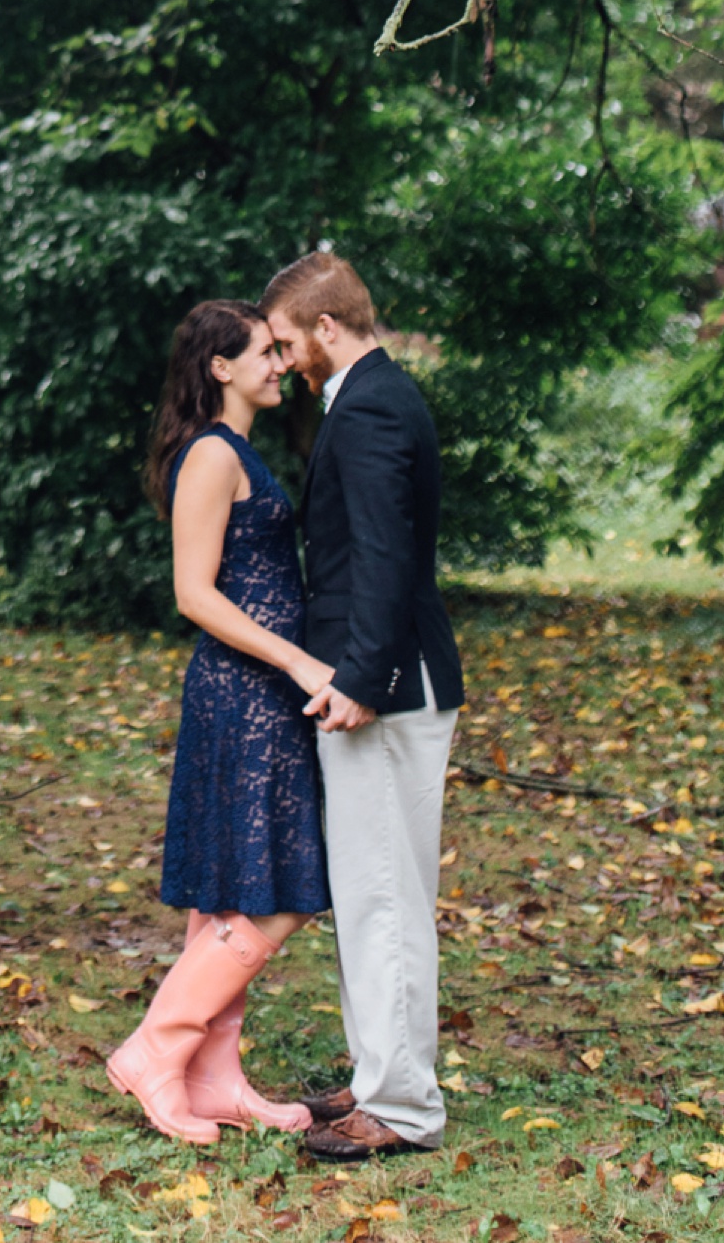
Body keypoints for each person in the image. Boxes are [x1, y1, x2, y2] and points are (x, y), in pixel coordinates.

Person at [106, 300, 331, 1147]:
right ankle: (154, 1053)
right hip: (243, 695)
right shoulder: (209, 453)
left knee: (235, 886)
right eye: (266, 352)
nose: (282, 364)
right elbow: (193, 594)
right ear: (220, 368)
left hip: (260, 694)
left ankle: (212, 1076)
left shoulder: (241, 452)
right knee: (275, 890)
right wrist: (298, 660)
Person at [261, 250, 464, 1163]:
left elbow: (385, 556)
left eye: (288, 342)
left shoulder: (374, 403)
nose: (286, 360)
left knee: (385, 897)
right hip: (373, 681)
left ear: (328, 329)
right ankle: (381, 1074)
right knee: (373, 893)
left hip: (381, 690)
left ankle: (404, 1108)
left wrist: (360, 683)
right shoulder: (370, 396)